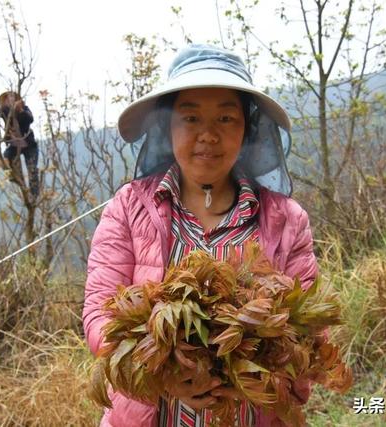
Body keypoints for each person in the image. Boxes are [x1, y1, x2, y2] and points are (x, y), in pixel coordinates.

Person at [83, 44, 318, 427]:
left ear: (247, 129)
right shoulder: (128, 209)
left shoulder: (286, 220)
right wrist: (163, 375)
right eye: (190, 118)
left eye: (226, 118)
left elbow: (308, 335)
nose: (208, 135)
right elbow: (100, 315)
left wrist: (255, 378)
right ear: (167, 127)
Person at [0, 91, 40, 201]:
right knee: (5, 158)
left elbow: (30, 119)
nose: (10, 99)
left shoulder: (24, 109)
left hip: (29, 145)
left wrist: (20, 110)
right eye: (7, 98)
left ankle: (34, 196)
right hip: (14, 145)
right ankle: (16, 180)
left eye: (12, 97)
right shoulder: (5, 111)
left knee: (32, 169)